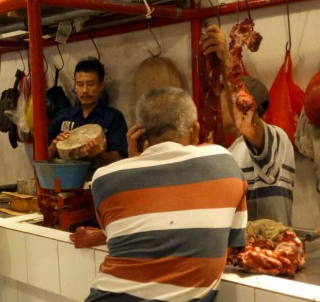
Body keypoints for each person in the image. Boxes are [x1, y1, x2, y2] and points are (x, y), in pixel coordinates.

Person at [86, 87, 247, 302]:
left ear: (139, 134)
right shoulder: (224, 163)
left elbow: (124, 236)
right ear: (195, 130)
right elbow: (226, 247)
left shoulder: (104, 178)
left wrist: (133, 162)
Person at [201, 24, 296, 226]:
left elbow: (253, 128)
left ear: (245, 104)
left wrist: (229, 62)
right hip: (243, 252)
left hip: (271, 251)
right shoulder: (234, 149)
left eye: (226, 100)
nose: (219, 107)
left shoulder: (275, 139)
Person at [47, 57, 128, 170]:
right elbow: (43, 158)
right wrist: (53, 148)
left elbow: (121, 159)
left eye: (90, 84)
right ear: (75, 86)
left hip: (101, 182)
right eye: (80, 84)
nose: (85, 90)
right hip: (67, 182)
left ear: (101, 86)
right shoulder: (62, 117)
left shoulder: (114, 118)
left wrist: (100, 154)